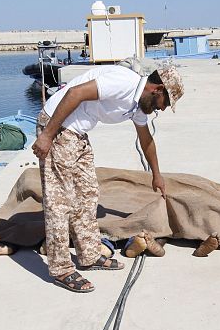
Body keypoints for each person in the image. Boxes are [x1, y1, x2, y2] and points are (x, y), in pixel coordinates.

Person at [31, 64, 183, 293]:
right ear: (158, 89)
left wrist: (157, 175)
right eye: (165, 104)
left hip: (77, 133)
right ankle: (61, 268)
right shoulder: (124, 83)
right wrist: (47, 135)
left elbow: (146, 139)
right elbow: (75, 93)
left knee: (88, 195)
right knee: (59, 201)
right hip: (57, 126)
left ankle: (90, 255)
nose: (160, 110)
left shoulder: (140, 106)